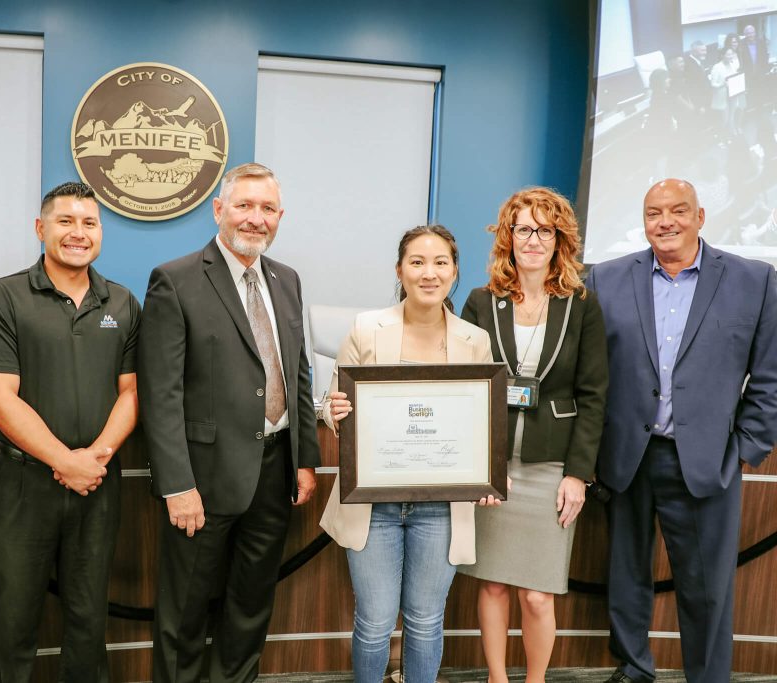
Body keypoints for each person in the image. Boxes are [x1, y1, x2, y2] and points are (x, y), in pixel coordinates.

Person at [586, 179, 777, 683]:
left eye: (678, 210)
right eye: (654, 212)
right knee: (626, 575)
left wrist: (744, 448)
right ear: (643, 219)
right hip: (626, 455)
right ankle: (632, 669)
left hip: (708, 459)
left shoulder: (753, 279)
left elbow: (770, 374)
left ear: (701, 216)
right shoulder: (604, 278)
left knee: (707, 587)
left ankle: (708, 677)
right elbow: (590, 371)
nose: (665, 221)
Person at [138, 162, 320, 683]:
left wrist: (304, 459)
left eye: (267, 209)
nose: (255, 219)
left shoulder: (287, 280)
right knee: (186, 612)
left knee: (250, 606)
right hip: (204, 477)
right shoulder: (175, 280)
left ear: (280, 216)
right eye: (244, 205)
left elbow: (297, 371)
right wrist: (177, 485)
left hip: (273, 472)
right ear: (219, 210)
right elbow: (162, 393)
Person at [0, 181, 140, 682]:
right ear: (41, 229)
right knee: (14, 621)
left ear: (100, 233)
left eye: (88, 223)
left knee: (89, 622)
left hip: (98, 485)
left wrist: (95, 458)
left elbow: (132, 392)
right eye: (65, 221)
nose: (77, 233)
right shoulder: (3, 297)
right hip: (23, 487)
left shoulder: (123, 303)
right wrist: (66, 461)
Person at [319, 225, 502, 683]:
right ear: (399, 270)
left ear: (455, 271)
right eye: (417, 262)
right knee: (376, 622)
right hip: (373, 503)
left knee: (424, 622)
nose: (429, 273)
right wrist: (334, 409)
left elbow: (480, 421)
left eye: (440, 262)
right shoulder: (367, 327)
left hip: (440, 506)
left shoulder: (474, 340)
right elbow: (329, 401)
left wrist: (487, 472)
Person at [456, 188, 608, 683]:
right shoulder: (482, 301)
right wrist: (482, 464)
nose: (534, 239)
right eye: (524, 228)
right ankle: (499, 680)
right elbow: (468, 390)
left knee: (538, 594)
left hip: (550, 468)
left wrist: (578, 475)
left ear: (559, 238)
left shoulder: (581, 305)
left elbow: (593, 396)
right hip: (495, 468)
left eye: (545, 229)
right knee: (495, 587)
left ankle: (536, 680)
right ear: (509, 236)